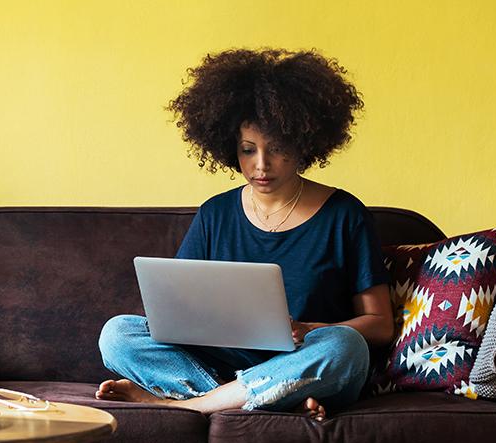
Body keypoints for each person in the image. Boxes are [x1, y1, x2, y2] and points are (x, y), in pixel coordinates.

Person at [96, 48, 394, 420]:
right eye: (248, 150)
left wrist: (309, 327)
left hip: (305, 359)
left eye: (278, 149)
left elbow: (380, 325)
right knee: (117, 334)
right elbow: (177, 308)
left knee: (345, 346)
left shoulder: (344, 214)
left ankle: (193, 405)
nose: (261, 165)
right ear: (228, 147)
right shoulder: (215, 214)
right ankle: (268, 397)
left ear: (304, 144)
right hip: (221, 364)